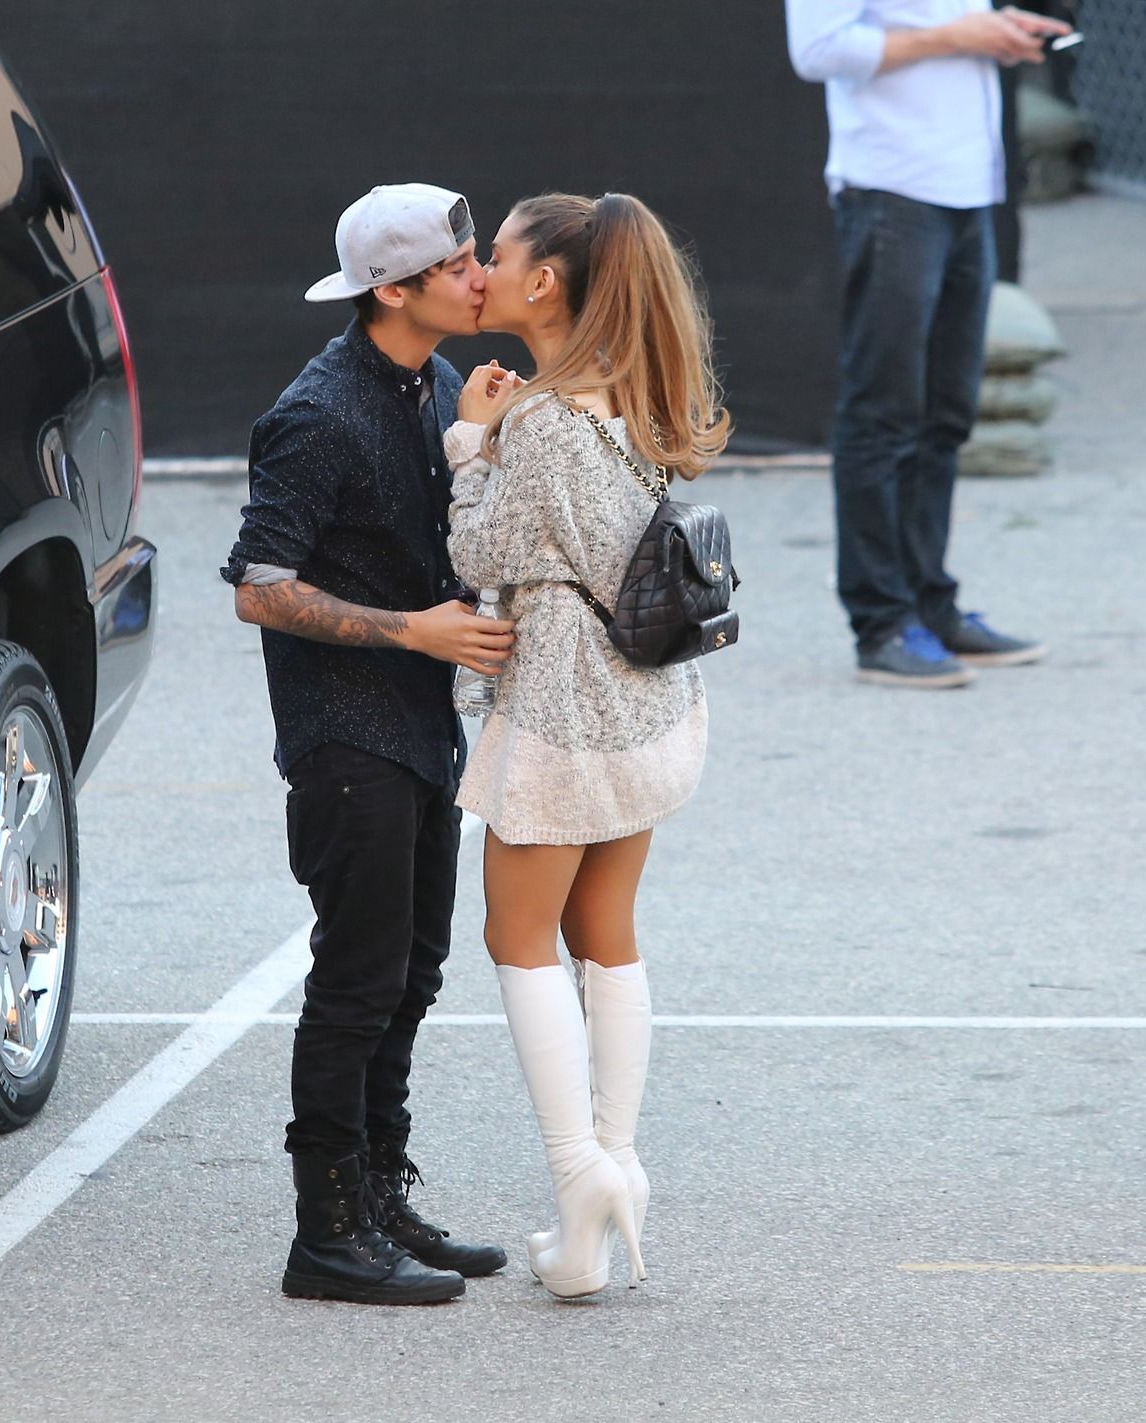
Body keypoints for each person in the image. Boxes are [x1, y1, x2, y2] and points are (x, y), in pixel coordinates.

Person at [221, 183, 515, 1305]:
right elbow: (259, 588)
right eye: (459, 265)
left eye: (475, 253)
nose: (479, 275)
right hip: (346, 734)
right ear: (394, 291)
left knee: (414, 971)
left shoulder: (432, 377)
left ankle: (380, 1197)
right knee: (355, 981)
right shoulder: (315, 413)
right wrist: (413, 629)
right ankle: (326, 1233)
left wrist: (476, 433)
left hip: (418, 722)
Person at [443, 193, 728, 1299]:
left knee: (514, 936)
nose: (485, 272)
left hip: (565, 712)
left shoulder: (545, 421)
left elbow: (484, 547)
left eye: (501, 255)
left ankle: (580, 1177)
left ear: (547, 282)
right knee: (601, 928)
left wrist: (470, 441)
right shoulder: (630, 397)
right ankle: (616, 1168)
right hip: (645, 702)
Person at [785, 2, 1068, 688]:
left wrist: (998, 35)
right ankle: (882, 624)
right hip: (892, 186)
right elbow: (817, 49)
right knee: (881, 411)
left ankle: (930, 607)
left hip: (969, 187)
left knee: (945, 411)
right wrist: (957, 36)